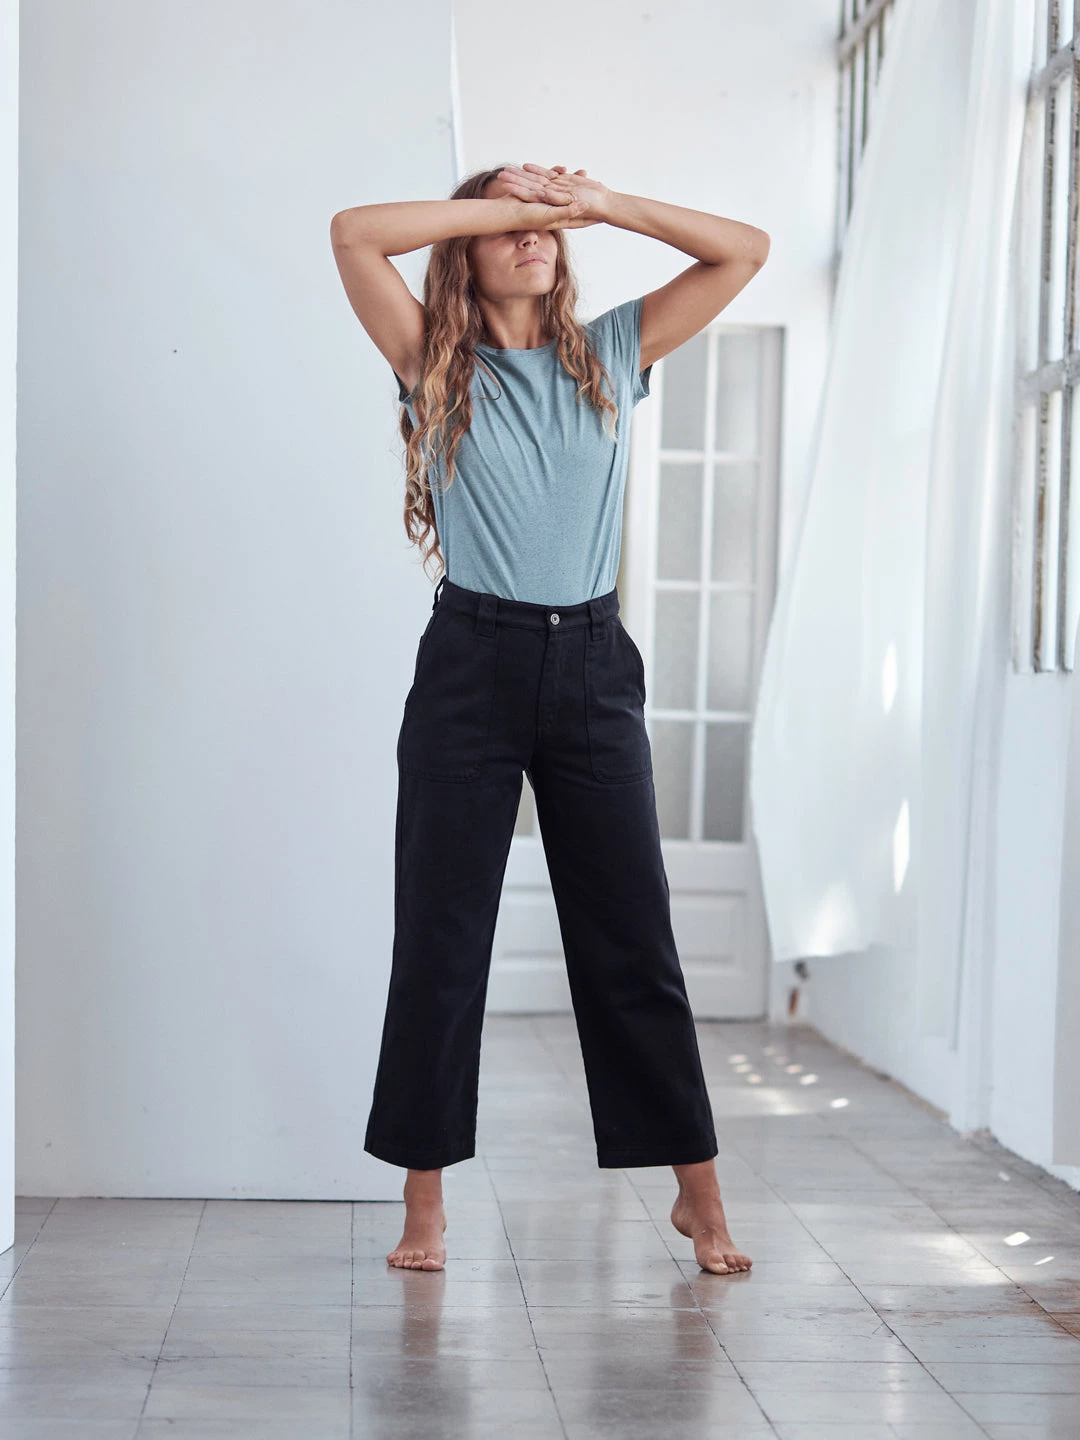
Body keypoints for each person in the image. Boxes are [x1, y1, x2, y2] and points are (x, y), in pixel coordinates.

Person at [330, 162, 768, 1275]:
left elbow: (745, 251)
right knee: (441, 945)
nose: (534, 237)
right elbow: (353, 232)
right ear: (469, 248)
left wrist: (606, 204)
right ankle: (424, 1208)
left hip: (592, 668)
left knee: (633, 942)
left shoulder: (611, 350)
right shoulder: (434, 356)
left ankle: (700, 1199)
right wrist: (507, 204)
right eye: (510, 225)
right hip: (469, 667)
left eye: (545, 227)